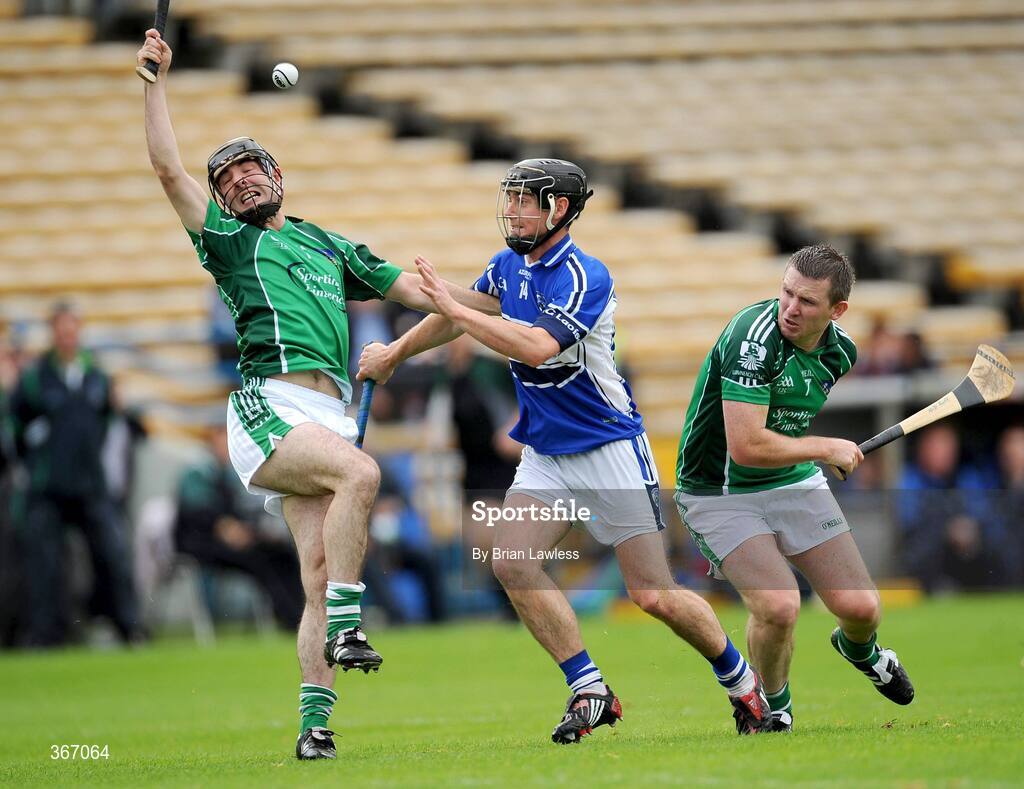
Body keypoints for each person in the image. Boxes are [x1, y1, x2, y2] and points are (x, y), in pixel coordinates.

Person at [137, 30, 500, 760]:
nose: (238, 181)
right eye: (227, 178)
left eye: (249, 169)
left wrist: (498, 305)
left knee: (317, 572)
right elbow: (168, 169)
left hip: (330, 411)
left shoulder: (332, 247)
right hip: (268, 406)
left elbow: (424, 298)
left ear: (278, 175)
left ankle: (315, 726)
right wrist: (153, 83)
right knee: (362, 475)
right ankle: (347, 623)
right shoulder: (231, 244)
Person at [359, 158, 772, 743]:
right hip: (548, 454)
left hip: (608, 449)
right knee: (510, 561)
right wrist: (396, 352)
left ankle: (742, 682)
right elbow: (458, 317)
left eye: (527, 200)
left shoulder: (584, 276)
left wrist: (453, 309)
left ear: (559, 209)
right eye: (513, 198)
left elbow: (533, 347)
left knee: (653, 594)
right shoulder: (506, 267)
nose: (514, 209)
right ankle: (590, 688)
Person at [674, 243, 915, 733]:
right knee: (779, 604)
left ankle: (860, 651)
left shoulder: (840, 352)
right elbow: (745, 446)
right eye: (786, 292)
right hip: (718, 489)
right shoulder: (753, 337)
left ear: (836, 310)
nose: (790, 307)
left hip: (791, 482)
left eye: (807, 301)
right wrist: (826, 449)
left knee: (862, 608)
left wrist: (819, 454)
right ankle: (771, 706)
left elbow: (785, 422)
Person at [9, 303, 142, 647]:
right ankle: (44, 636)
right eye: (61, 330)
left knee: (112, 555)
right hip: (48, 487)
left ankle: (128, 627)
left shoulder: (97, 376)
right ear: (53, 332)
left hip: (90, 484)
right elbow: (15, 424)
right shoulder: (36, 377)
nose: (67, 336)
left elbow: (109, 425)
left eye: (72, 329)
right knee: (45, 565)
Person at [175, 426, 304, 629]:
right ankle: (290, 619)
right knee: (260, 559)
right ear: (212, 443)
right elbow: (200, 513)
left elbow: (240, 516)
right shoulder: (198, 472)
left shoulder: (228, 475)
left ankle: (303, 614)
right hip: (202, 543)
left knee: (283, 553)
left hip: (232, 538)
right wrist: (226, 528)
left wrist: (255, 532)